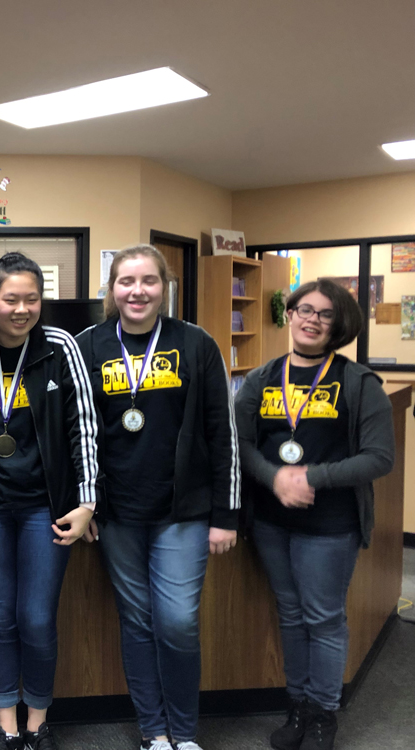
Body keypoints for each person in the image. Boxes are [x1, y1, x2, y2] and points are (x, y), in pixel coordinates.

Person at [74, 244, 239, 750]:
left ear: (165, 287)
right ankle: (154, 732)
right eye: (127, 281)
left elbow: (222, 431)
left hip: (182, 509)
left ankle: (184, 733)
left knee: (177, 621)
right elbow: (73, 432)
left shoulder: (195, 344)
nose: (137, 291)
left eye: (148, 280)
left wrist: (226, 515)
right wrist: (87, 501)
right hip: (117, 512)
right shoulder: (87, 344)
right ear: (112, 289)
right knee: (137, 621)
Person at [0, 252, 99, 750]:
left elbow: (83, 428)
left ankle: (39, 721)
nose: (22, 308)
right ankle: (6, 724)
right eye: (11, 299)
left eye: (32, 298)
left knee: (35, 617)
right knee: (0, 616)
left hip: (44, 507)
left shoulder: (60, 347)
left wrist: (88, 500)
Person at [235, 279, 394, 750]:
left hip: (330, 525)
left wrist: (310, 478)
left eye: (324, 314)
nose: (311, 319)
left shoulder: (357, 381)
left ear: (338, 323)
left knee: (323, 618)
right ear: (290, 315)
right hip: (270, 521)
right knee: (289, 613)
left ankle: (324, 714)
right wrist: (273, 477)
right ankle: (298, 706)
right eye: (304, 309)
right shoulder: (263, 378)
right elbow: (240, 443)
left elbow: (379, 457)